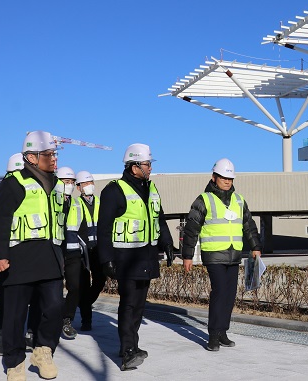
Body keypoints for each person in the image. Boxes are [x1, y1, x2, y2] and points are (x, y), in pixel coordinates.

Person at [0, 131, 65, 381]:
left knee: (55, 307)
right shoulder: (13, 183)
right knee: (15, 315)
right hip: (19, 258)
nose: (54, 159)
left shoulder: (58, 185)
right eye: (49, 154)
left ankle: (43, 351)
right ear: (32, 157)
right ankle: (14, 363)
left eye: (54, 154)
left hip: (50, 256)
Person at [97, 143, 175, 371]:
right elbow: (104, 228)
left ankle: (131, 346)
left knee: (140, 305)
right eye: (147, 164)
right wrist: (106, 259)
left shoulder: (151, 189)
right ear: (134, 166)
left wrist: (168, 243)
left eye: (150, 164)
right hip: (125, 259)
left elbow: (159, 218)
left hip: (147, 257)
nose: (150, 168)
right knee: (129, 304)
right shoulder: (114, 190)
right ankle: (127, 351)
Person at [182, 158, 261, 352]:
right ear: (214, 177)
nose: (227, 181)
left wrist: (255, 247)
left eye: (230, 178)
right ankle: (213, 335)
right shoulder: (204, 199)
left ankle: (223, 332)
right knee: (219, 293)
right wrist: (188, 255)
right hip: (214, 254)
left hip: (234, 254)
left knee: (230, 294)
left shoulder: (239, 200)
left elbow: (248, 226)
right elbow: (191, 229)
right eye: (224, 177)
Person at [0, 153, 30, 356]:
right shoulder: (2, 190)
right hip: (5, 252)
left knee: (26, 298)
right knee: (5, 297)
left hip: (24, 253)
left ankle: (22, 335)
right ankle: (1, 338)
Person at [73, 170, 106, 332]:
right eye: (85, 184)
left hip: (98, 249)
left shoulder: (101, 202)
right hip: (82, 251)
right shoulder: (76, 204)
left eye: (90, 183)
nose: (89, 186)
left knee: (100, 280)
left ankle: (83, 303)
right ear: (78, 188)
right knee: (84, 285)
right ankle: (87, 320)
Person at [56, 166, 84, 340]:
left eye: (72, 182)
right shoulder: (50, 200)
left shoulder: (76, 203)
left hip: (73, 251)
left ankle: (67, 319)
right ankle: (51, 319)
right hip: (56, 250)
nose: (70, 185)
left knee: (75, 287)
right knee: (53, 289)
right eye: (67, 182)